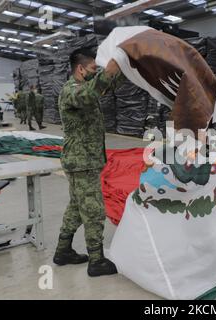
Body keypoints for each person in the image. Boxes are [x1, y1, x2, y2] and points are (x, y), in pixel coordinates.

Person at [53, 48, 125, 277]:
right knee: (94, 210)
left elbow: (108, 86)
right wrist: (106, 74)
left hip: (84, 160)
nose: (96, 72)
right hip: (81, 161)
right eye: (93, 68)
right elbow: (89, 95)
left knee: (76, 207)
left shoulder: (86, 86)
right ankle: (97, 261)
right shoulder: (71, 91)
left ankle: (62, 251)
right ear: (80, 69)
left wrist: (120, 68)